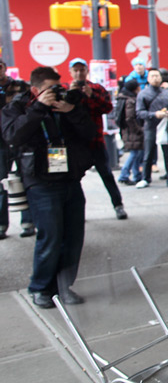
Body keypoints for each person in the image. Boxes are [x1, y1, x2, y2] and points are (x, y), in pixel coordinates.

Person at [1, 66, 95, 308]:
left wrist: (72, 110)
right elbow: (13, 136)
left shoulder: (65, 104)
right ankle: (41, 287)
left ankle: (64, 286)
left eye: (58, 87)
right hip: (40, 181)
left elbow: (89, 132)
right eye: (49, 89)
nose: (55, 93)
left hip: (69, 177)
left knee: (73, 237)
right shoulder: (18, 107)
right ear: (35, 89)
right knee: (50, 236)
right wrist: (39, 108)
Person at [68, 58, 127, 220]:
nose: (79, 73)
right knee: (74, 180)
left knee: (107, 174)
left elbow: (107, 108)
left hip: (96, 141)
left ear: (87, 71)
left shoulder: (97, 88)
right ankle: (78, 211)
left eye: (82, 69)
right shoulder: (66, 89)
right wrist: (70, 95)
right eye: (76, 70)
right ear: (70, 72)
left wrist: (91, 95)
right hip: (76, 143)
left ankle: (118, 205)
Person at [0, 60, 35, 239]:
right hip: (1, 144)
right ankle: (1, 225)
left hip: (20, 139)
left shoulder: (20, 87)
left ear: (5, 69)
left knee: (26, 179)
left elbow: (30, 108)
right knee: (1, 184)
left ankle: (28, 222)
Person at [135, 68, 168, 188]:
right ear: (148, 79)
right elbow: (139, 112)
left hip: (165, 126)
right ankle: (145, 178)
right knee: (148, 153)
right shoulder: (143, 94)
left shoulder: (166, 93)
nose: (155, 78)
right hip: (150, 126)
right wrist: (154, 114)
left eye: (157, 76)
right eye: (153, 76)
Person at [115, 79, 144, 185]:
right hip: (132, 131)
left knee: (136, 152)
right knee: (135, 153)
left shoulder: (122, 98)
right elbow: (130, 118)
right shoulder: (130, 100)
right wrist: (138, 129)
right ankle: (124, 174)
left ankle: (137, 175)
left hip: (127, 130)